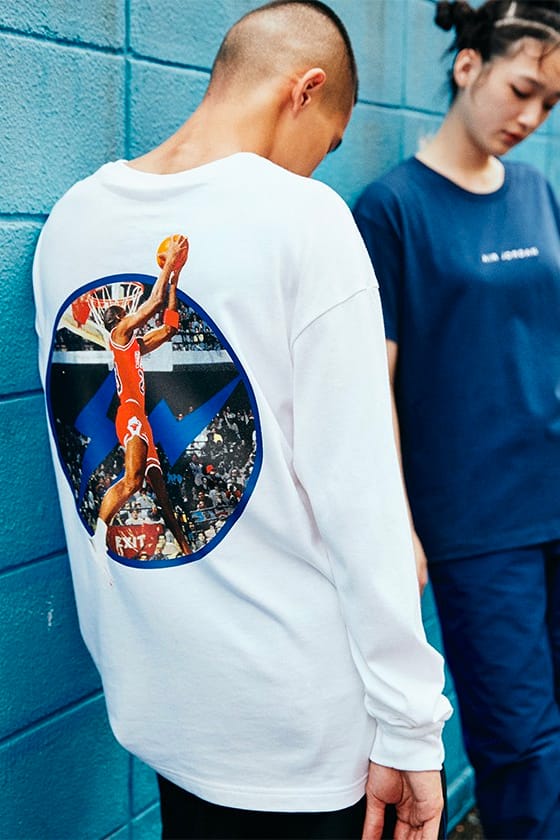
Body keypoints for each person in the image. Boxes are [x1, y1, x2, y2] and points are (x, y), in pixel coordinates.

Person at [33, 2, 451, 838]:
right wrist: (411, 725)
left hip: (159, 707)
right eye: (328, 144)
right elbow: (359, 496)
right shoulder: (306, 219)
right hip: (298, 727)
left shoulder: (71, 221)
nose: (318, 167)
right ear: (306, 90)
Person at [353, 2, 560, 837]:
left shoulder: (538, 192)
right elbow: (369, 389)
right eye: (522, 90)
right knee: (519, 742)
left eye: (550, 104)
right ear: (469, 66)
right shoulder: (391, 209)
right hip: (476, 524)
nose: (532, 118)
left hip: (553, 490)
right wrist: (397, 524)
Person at [95, 234, 191, 557]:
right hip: (130, 413)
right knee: (132, 481)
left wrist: (175, 279)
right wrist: (169, 263)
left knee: (162, 494)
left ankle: (185, 548)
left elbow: (170, 328)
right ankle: (98, 536)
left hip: (142, 417)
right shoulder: (119, 335)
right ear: (119, 320)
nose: (129, 316)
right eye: (125, 313)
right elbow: (153, 303)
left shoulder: (134, 346)